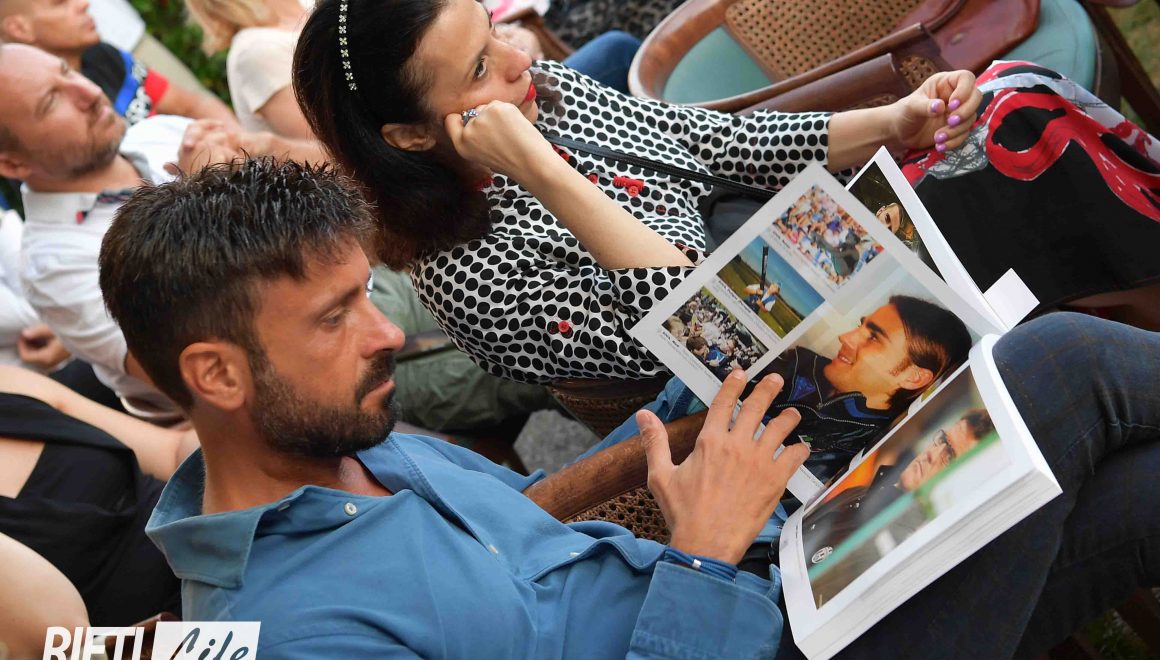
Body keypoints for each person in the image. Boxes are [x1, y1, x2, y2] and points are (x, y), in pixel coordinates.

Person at [99, 158, 1159, 658]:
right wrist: (701, 554)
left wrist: (700, 414)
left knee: (1137, 488)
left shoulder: (366, 448)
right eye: (335, 319)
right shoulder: (294, 636)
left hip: (780, 595)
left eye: (368, 294)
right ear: (217, 375)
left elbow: (544, 541)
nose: (385, 335)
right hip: (753, 624)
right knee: (1057, 361)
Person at [292, 0, 984, 385]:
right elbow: (708, 331)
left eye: (493, 28)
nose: (520, 58)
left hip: (814, 260)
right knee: (1002, 182)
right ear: (411, 135)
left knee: (1008, 114)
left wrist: (894, 123)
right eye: (479, 69)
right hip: (798, 372)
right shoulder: (469, 276)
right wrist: (543, 173)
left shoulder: (545, 94)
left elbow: (712, 143)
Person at [0, 43, 315, 418]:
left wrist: (269, 148)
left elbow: (347, 186)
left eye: (67, 72)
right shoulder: (53, 266)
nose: (89, 91)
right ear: (13, 164)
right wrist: (206, 192)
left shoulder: (156, 132)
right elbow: (208, 366)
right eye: (52, 101)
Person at [0, 364, 197, 625]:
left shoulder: (8, 383)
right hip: (180, 630)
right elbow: (67, 635)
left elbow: (173, 453)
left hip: (219, 537)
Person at [801, 408, 994, 584]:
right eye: (943, 440)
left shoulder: (899, 554)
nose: (932, 454)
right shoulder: (860, 493)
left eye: (949, 457)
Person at [0, 0, 236, 126]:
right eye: (60, 2)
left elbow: (193, 105)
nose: (84, 3)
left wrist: (240, 140)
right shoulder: (34, 116)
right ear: (19, 29)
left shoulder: (101, 55)